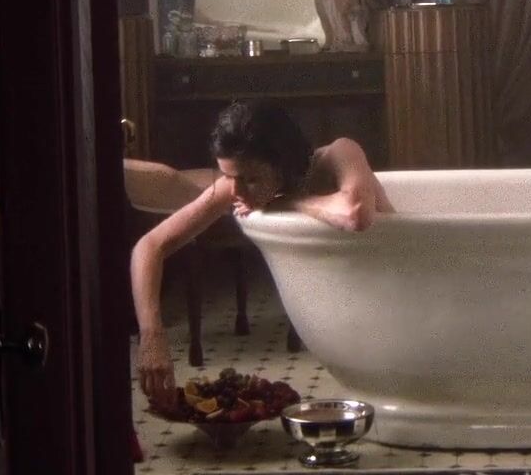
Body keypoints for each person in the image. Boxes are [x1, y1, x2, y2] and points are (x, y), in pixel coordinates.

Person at [130, 99, 394, 406]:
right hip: (354, 304)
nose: (236, 192)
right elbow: (150, 246)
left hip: (397, 280)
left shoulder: (339, 153)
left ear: (283, 164)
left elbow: (356, 214)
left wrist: (286, 202)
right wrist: (151, 335)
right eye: (228, 176)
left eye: (251, 179)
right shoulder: (237, 184)